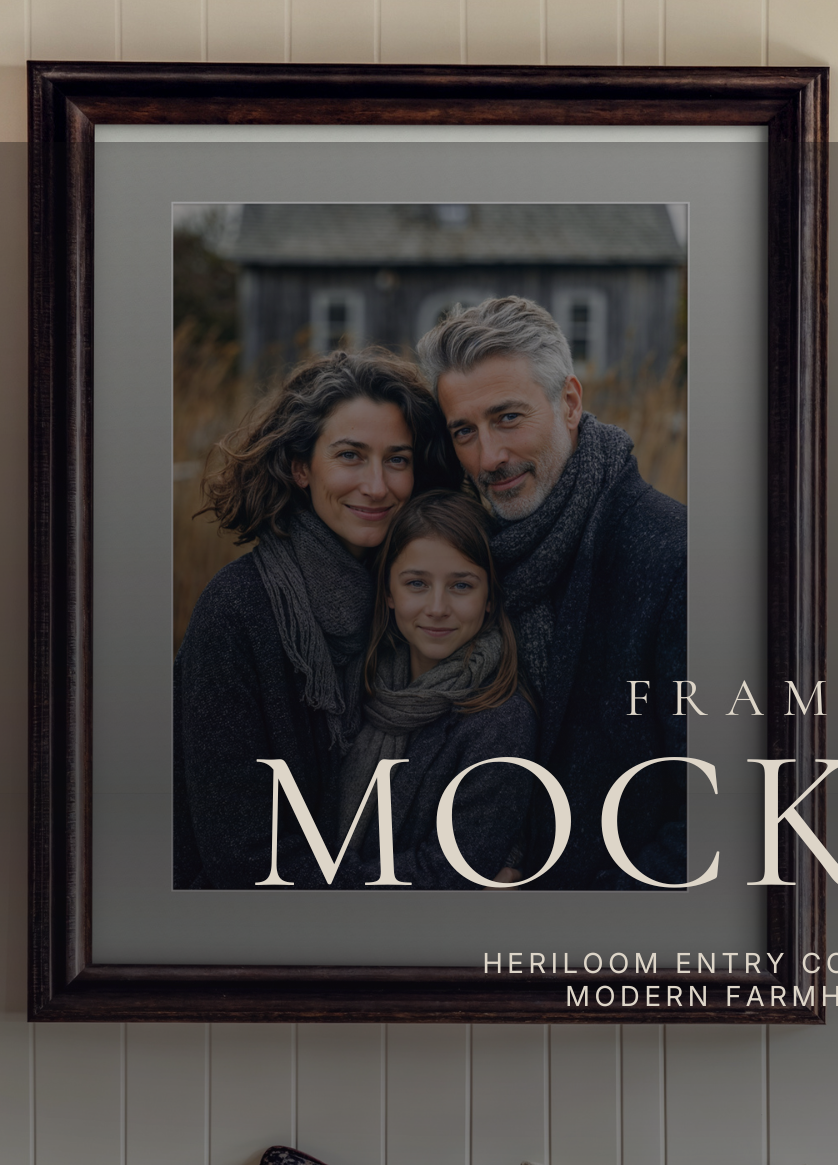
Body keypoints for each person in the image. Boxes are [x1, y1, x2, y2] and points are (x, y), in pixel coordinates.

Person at [414, 296, 687, 890]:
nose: (489, 457)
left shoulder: (674, 559)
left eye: (508, 418)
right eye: (465, 431)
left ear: (568, 402)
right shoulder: (466, 564)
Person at [173, 348, 457, 888]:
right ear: (301, 466)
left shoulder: (424, 604)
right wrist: (449, 883)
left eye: (397, 459)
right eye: (350, 456)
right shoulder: (238, 613)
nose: (377, 486)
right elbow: (245, 860)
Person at [334, 489, 538, 889]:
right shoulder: (358, 686)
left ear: (489, 599)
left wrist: (305, 884)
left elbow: (445, 874)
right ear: (389, 593)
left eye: (461, 586)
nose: (437, 607)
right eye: (416, 584)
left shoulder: (501, 724)